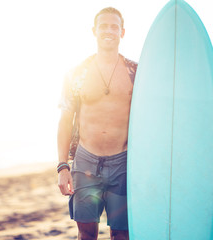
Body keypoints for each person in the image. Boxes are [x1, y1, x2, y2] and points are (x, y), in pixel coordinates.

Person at [57, 7, 137, 240]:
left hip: (123, 163)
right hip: (85, 162)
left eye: (115, 26)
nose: (109, 31)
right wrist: (62, 167)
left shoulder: (136, 72)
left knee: (122, 234)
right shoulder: (76, 74)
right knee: (86, 234)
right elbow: (64, 120)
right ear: (94, 31)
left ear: (122, 32)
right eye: (104, 26)